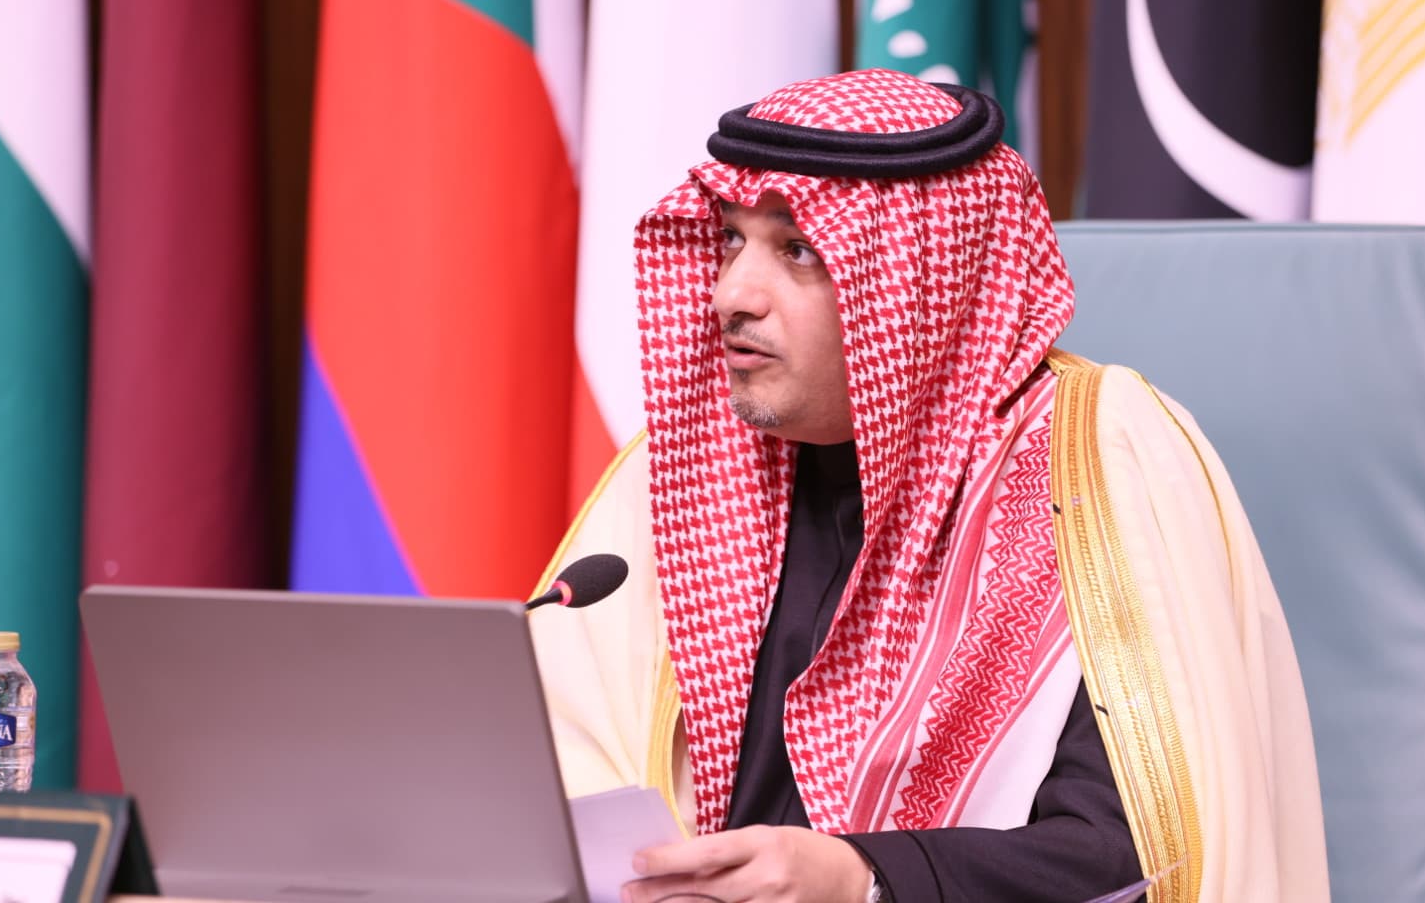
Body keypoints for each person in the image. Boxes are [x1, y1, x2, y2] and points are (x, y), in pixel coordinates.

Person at [529, 69, 1329, 903]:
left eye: (798, 250)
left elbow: (1144, 852)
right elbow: (563, 774)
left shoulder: (1094, 460)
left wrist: (865, 879)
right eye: (731, 239)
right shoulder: (679, 469)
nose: (730, 295)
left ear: (918, 283)